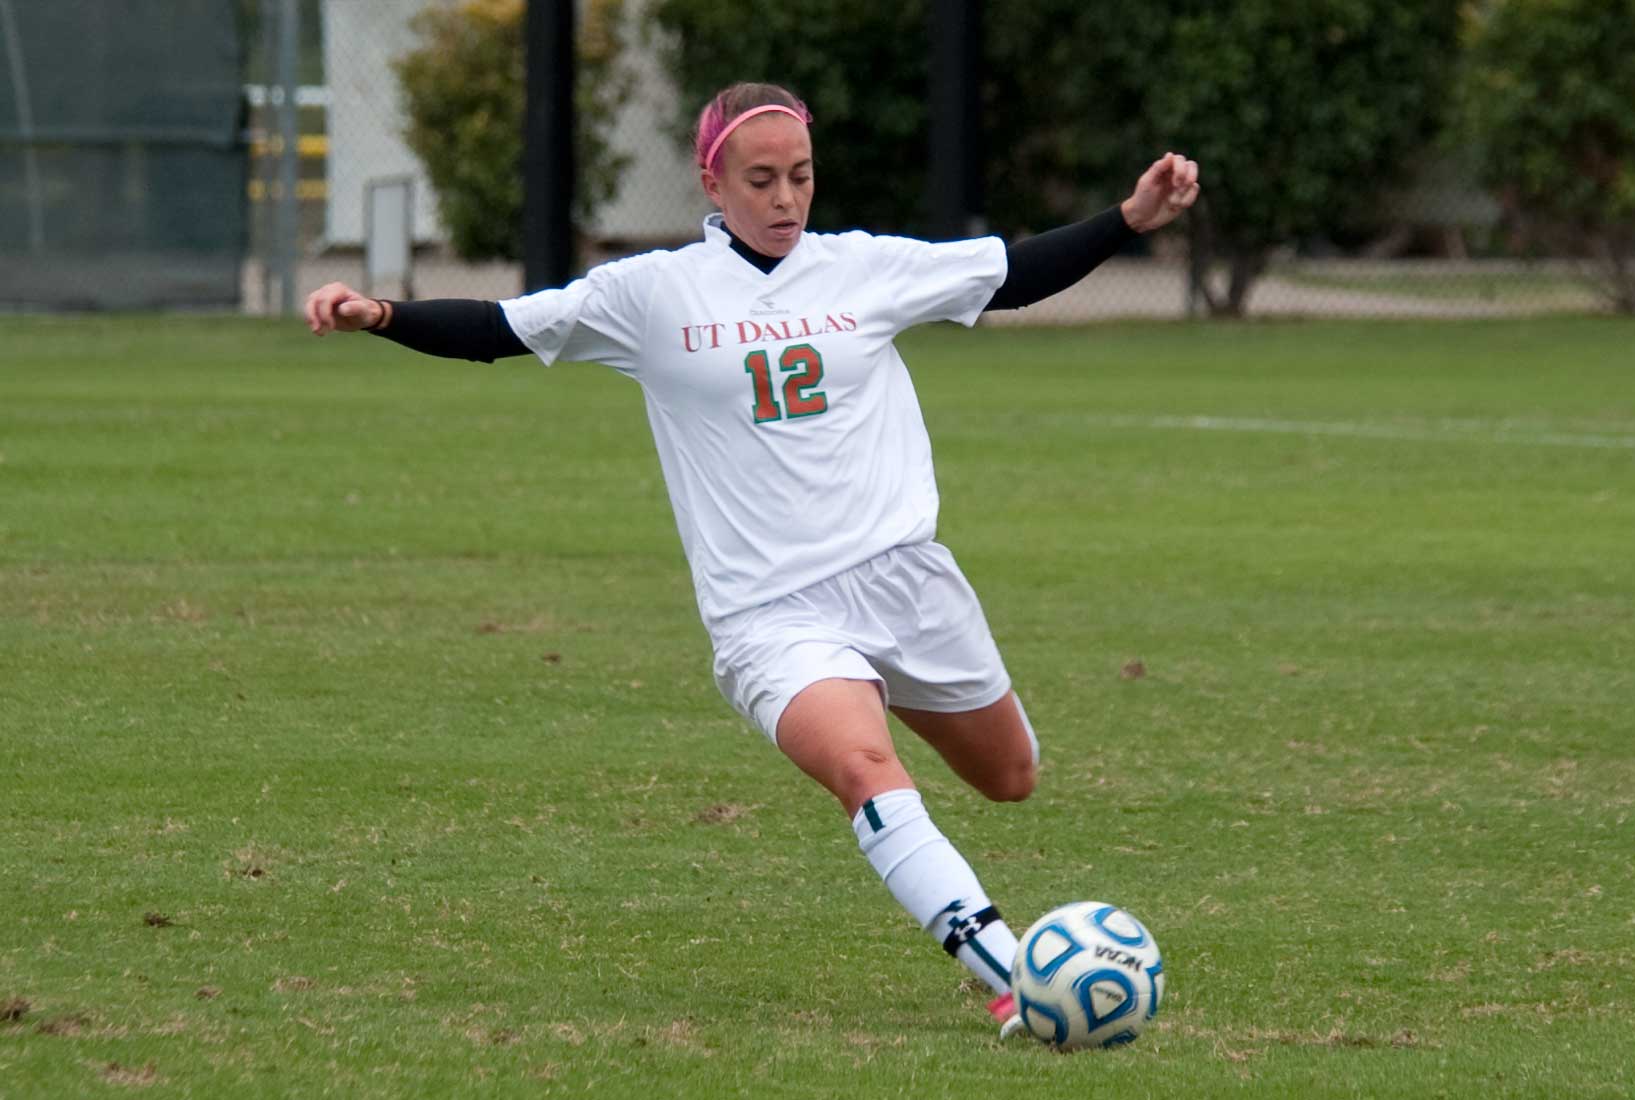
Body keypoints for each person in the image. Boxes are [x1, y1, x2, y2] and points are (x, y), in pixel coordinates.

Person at [305, 81, 1198, 1039]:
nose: (785, 199)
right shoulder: (652, 293)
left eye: (801, 177)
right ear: (712, 183)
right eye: (761, 179)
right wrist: (382, 313)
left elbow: (1011, 274)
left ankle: (885, 700)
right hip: (771, 614)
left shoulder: (864, 267)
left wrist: (1127, 219)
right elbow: (500, 329)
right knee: (864, 766)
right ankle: (1016, 975)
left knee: (1011, 775)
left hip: (906, 582)